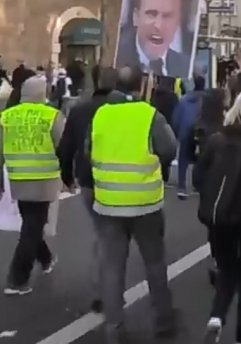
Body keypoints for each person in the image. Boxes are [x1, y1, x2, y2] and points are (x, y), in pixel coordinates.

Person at [87, 66, 179, 342]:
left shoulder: (101, 113)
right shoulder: (150, 115)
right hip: (145, 202)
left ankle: (113, 327)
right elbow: (169, 149)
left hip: (108, 202)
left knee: (112, 266)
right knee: (154, 262)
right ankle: (163, 322)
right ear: (142, 86)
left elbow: (88, 150)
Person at [193, 91, 241, 344]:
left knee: (226, 269)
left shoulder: (217, 140)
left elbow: (199, 175)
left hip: (220, 215)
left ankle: (216, 318)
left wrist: (210, 195)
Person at [57, 67, 118, 311]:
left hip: (88, 179)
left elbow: (65, 147)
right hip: (120, 181)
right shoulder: (125, 111)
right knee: (112, 237)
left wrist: (67, 176)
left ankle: (101, 290)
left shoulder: (80, 110)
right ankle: (107, 291)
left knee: (103, 235)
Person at [0, 77, 67, 295]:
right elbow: (64, 147)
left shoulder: (7, 116)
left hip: (18, 177)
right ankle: (17, 278)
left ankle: (46, 258)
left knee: (31, 223)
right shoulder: (51, 115)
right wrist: (68, 176)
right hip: (44, 178)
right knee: (32, 226)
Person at [115, 0, 193, 78]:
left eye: (167, 16)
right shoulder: (116, 59)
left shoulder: (187, 66)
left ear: (178, 22)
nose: (158, 26)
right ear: (136, 17)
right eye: (151, 14)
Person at [171, 75, 206, 199]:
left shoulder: (184, 99)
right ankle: (199, 185)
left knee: (183, 159)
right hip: (202, 132)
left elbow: (176, 117)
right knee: (202, 159)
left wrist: (177, 131)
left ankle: (181, 186)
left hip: (185, 131)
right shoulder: (207, 99)